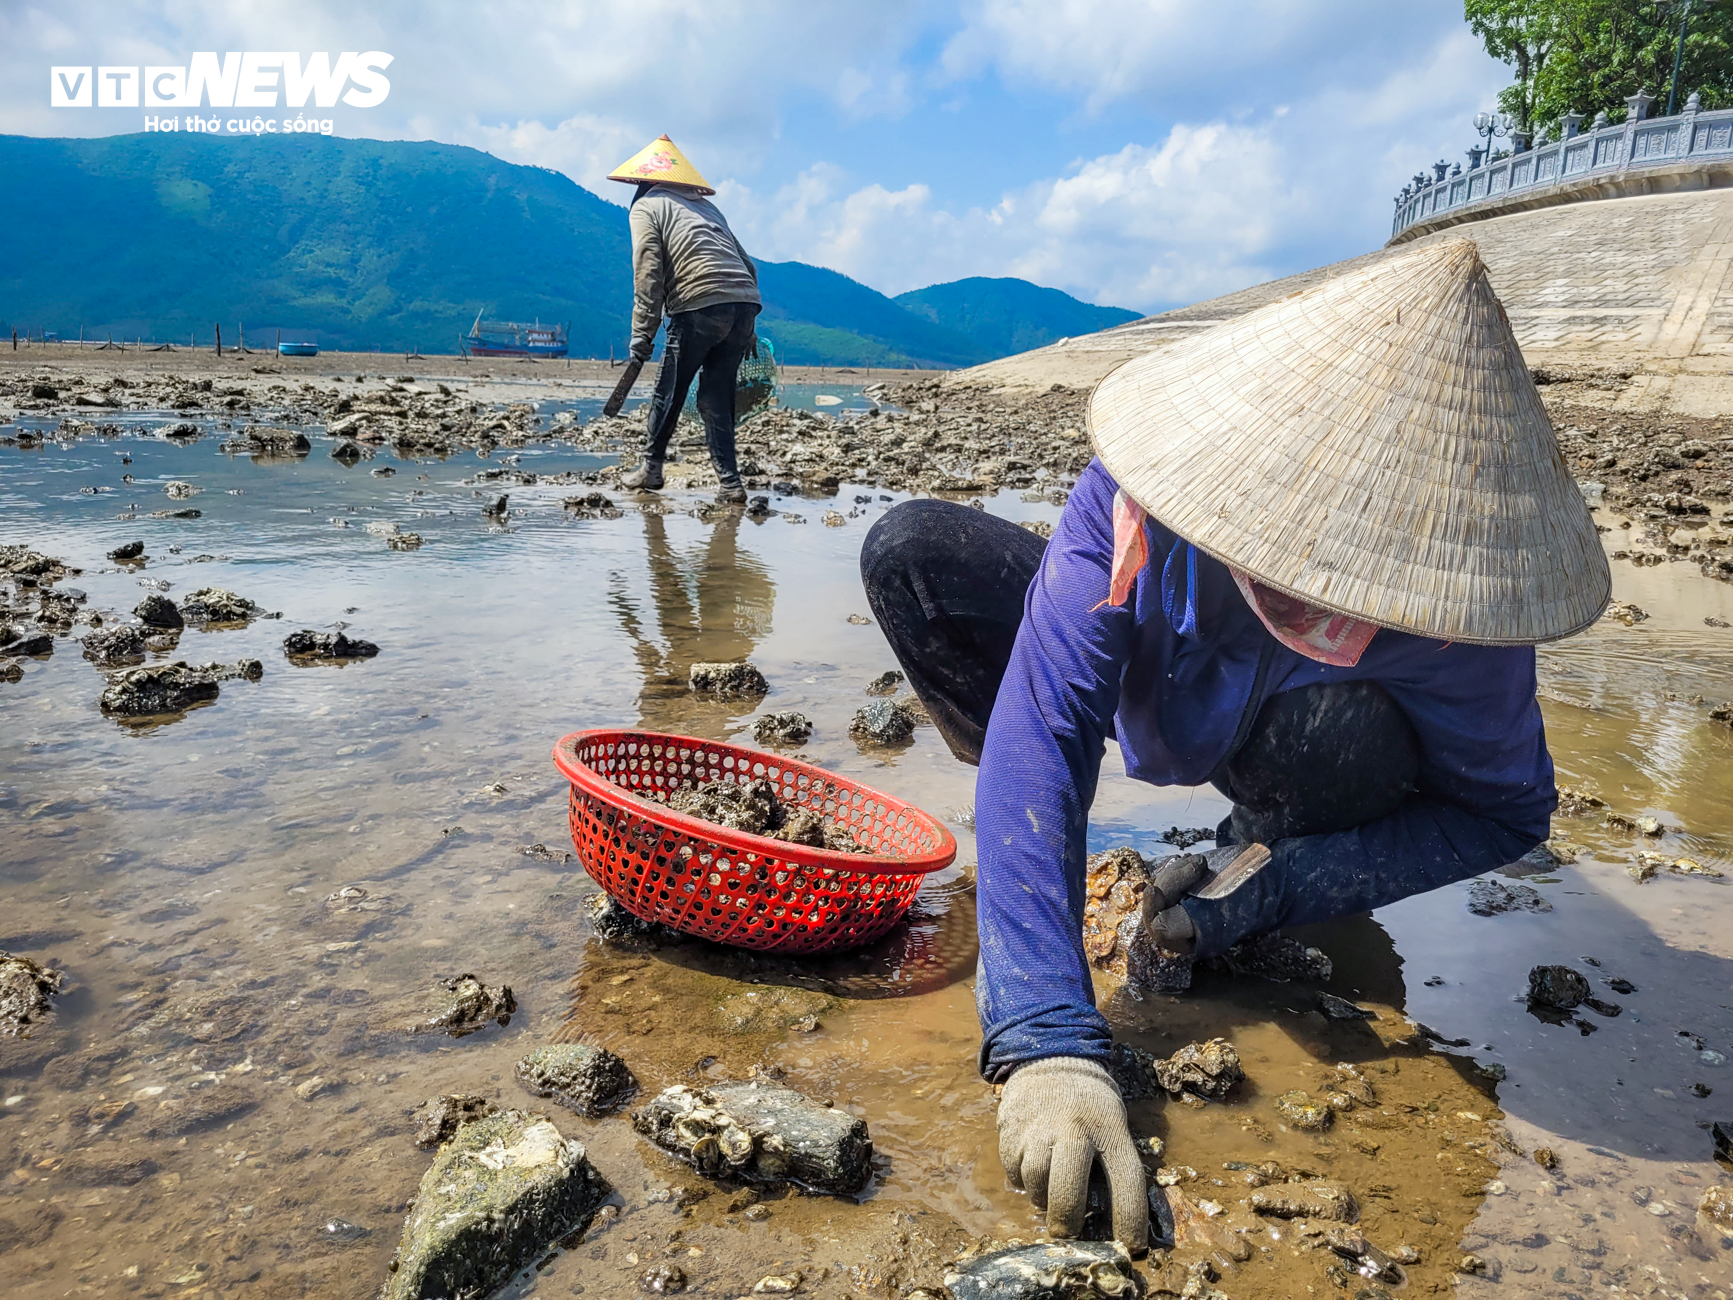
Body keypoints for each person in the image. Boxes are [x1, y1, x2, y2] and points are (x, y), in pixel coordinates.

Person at [858, 238, 1610, 1252]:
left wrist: (1268, 886)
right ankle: (1027, 850)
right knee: (912, 555)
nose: (1318, 594)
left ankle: (1247, 841)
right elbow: (1045, 722)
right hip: (1162, 664)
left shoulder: (1454, 626)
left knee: (1340, 727)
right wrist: (1044, 1037)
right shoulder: (1134, 506)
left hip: (1299, 749)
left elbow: (1505, 811)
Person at [606, 134, 762, 505]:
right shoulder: (708, 209)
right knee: (715, 398)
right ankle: (730, 484)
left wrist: (641, 335)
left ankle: (652, 468)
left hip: (699, 305)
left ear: (640, 183)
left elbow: (648, 274)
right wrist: (748, 329)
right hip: (745, 304)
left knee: (669, 393)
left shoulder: (646, 208)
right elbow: (748, 263)